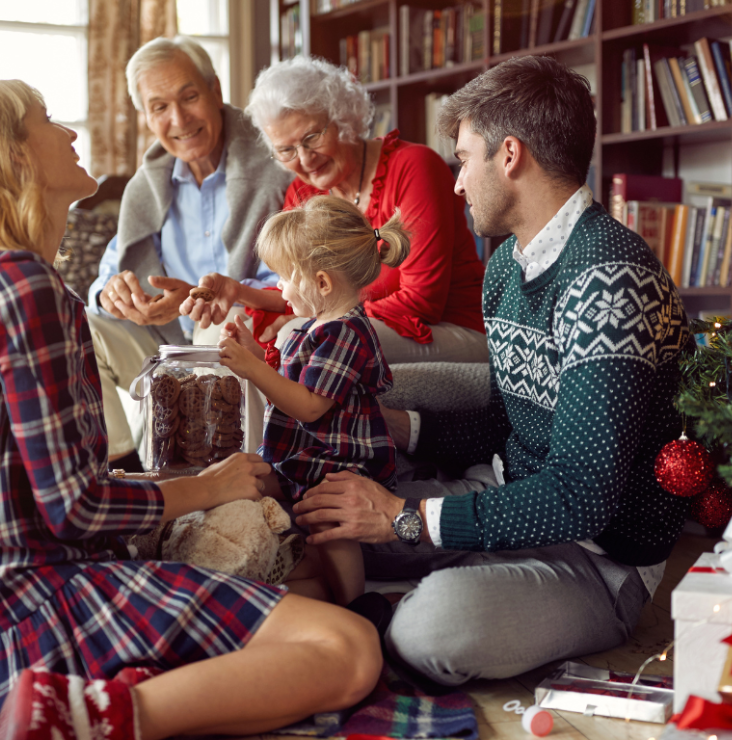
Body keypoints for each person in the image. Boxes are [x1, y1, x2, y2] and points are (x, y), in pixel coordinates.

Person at [0, 79, 380, 735]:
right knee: (350, 648)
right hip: (41, 604)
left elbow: (53, 494)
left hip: (10, 600)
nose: (70, 132)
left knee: (303, 598)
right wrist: (208, 487)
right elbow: (74, 506)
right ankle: (81, 716)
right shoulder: (22, 284)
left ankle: (114, 692)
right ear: (12, 155)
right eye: (47, 119)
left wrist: (186, 485)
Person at [290, 56, 694, 687]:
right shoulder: (506, 265)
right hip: (503, 492)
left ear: (510, 156)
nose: (457, 184)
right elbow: (506, 421)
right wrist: (399, 426)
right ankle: (412, 594)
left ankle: (403, 608)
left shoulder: (609, 277)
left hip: (598, 558)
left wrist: (403, 518)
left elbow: (582, 497)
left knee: (430, 628)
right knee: (323, 528)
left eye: (463, 159)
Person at [181, 56, 487, 364]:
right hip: (359, 321)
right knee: (220, 331)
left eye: (312, 137)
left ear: (343, 118)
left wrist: (311, 322)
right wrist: (238, 292)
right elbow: (302, 290)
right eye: (286, 150)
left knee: (300, 339)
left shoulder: (414, 167)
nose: (304, 158)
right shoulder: (303, 192)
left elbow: (421, 302)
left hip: (447, 328)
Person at [85, 36, 293, 471]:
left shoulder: (274, 164)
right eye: (159, 107)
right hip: (165, 343)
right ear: (146, 117)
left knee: (219, 331)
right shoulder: (149, 183)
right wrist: (112, 293)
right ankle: (126, 471)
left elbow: (294, 279)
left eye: (189, 97)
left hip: (240, 332)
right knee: (80, 326)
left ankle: (236, 477)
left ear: (216, 90)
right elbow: (111, 270)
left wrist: (205, 299)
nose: (178, 119)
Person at [217, 196, 410, 606]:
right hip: (302, 454)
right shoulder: (314, 327)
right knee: (247, 480)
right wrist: (255, 356)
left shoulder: (345, 332)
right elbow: (290, 385)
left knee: (329, 520)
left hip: (336, 461)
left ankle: (356, 605)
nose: (279, 288)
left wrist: (253, 370)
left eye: (284, 277)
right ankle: (291, 571)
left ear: (322, 283)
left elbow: (309, 406)